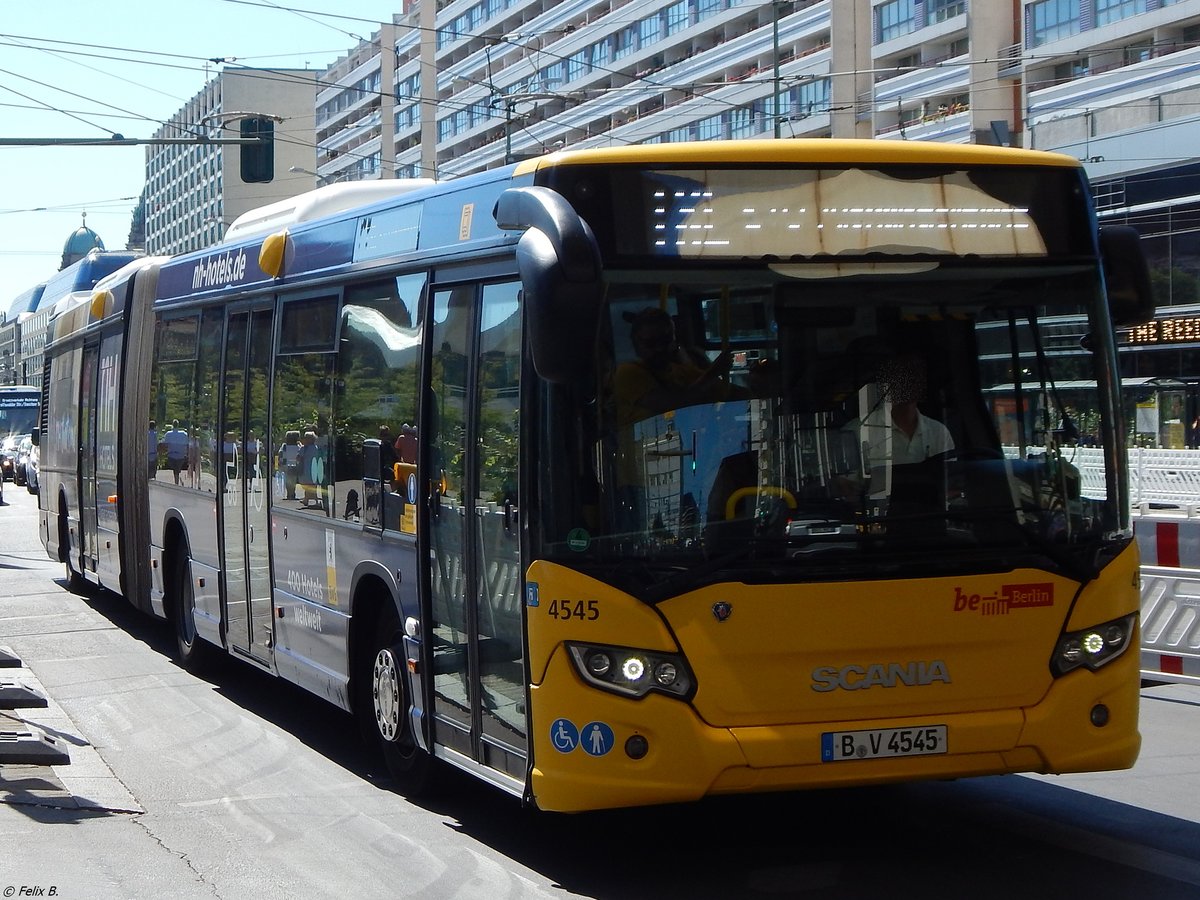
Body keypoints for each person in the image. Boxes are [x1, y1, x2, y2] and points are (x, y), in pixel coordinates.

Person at [612, 307, 734, 426]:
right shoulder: (627, 374)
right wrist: (713, 373)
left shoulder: (683, 372)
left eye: (665, 341)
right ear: (635, 343)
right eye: (651, 343)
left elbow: (727, 394)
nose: (659, 348)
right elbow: (672, 405)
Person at [163, 420, 190, 485]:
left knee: (175, 469)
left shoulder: (168, 434)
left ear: (172, 425)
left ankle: (177, 481)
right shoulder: (184, 434)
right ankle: (177, 480)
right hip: (180, 455)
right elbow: (187, 445)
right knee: (177, 469)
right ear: (178, 425)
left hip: (171, 455)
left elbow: (165, 445)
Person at [277, 430, 302, 500]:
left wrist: (279, 463)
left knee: (288, 480)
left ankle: (289, 493)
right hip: (293, 463)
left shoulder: (284, 446)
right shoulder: (297, 446)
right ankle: (292, 493)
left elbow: (280, 454)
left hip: (286, 464)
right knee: (293, 480)